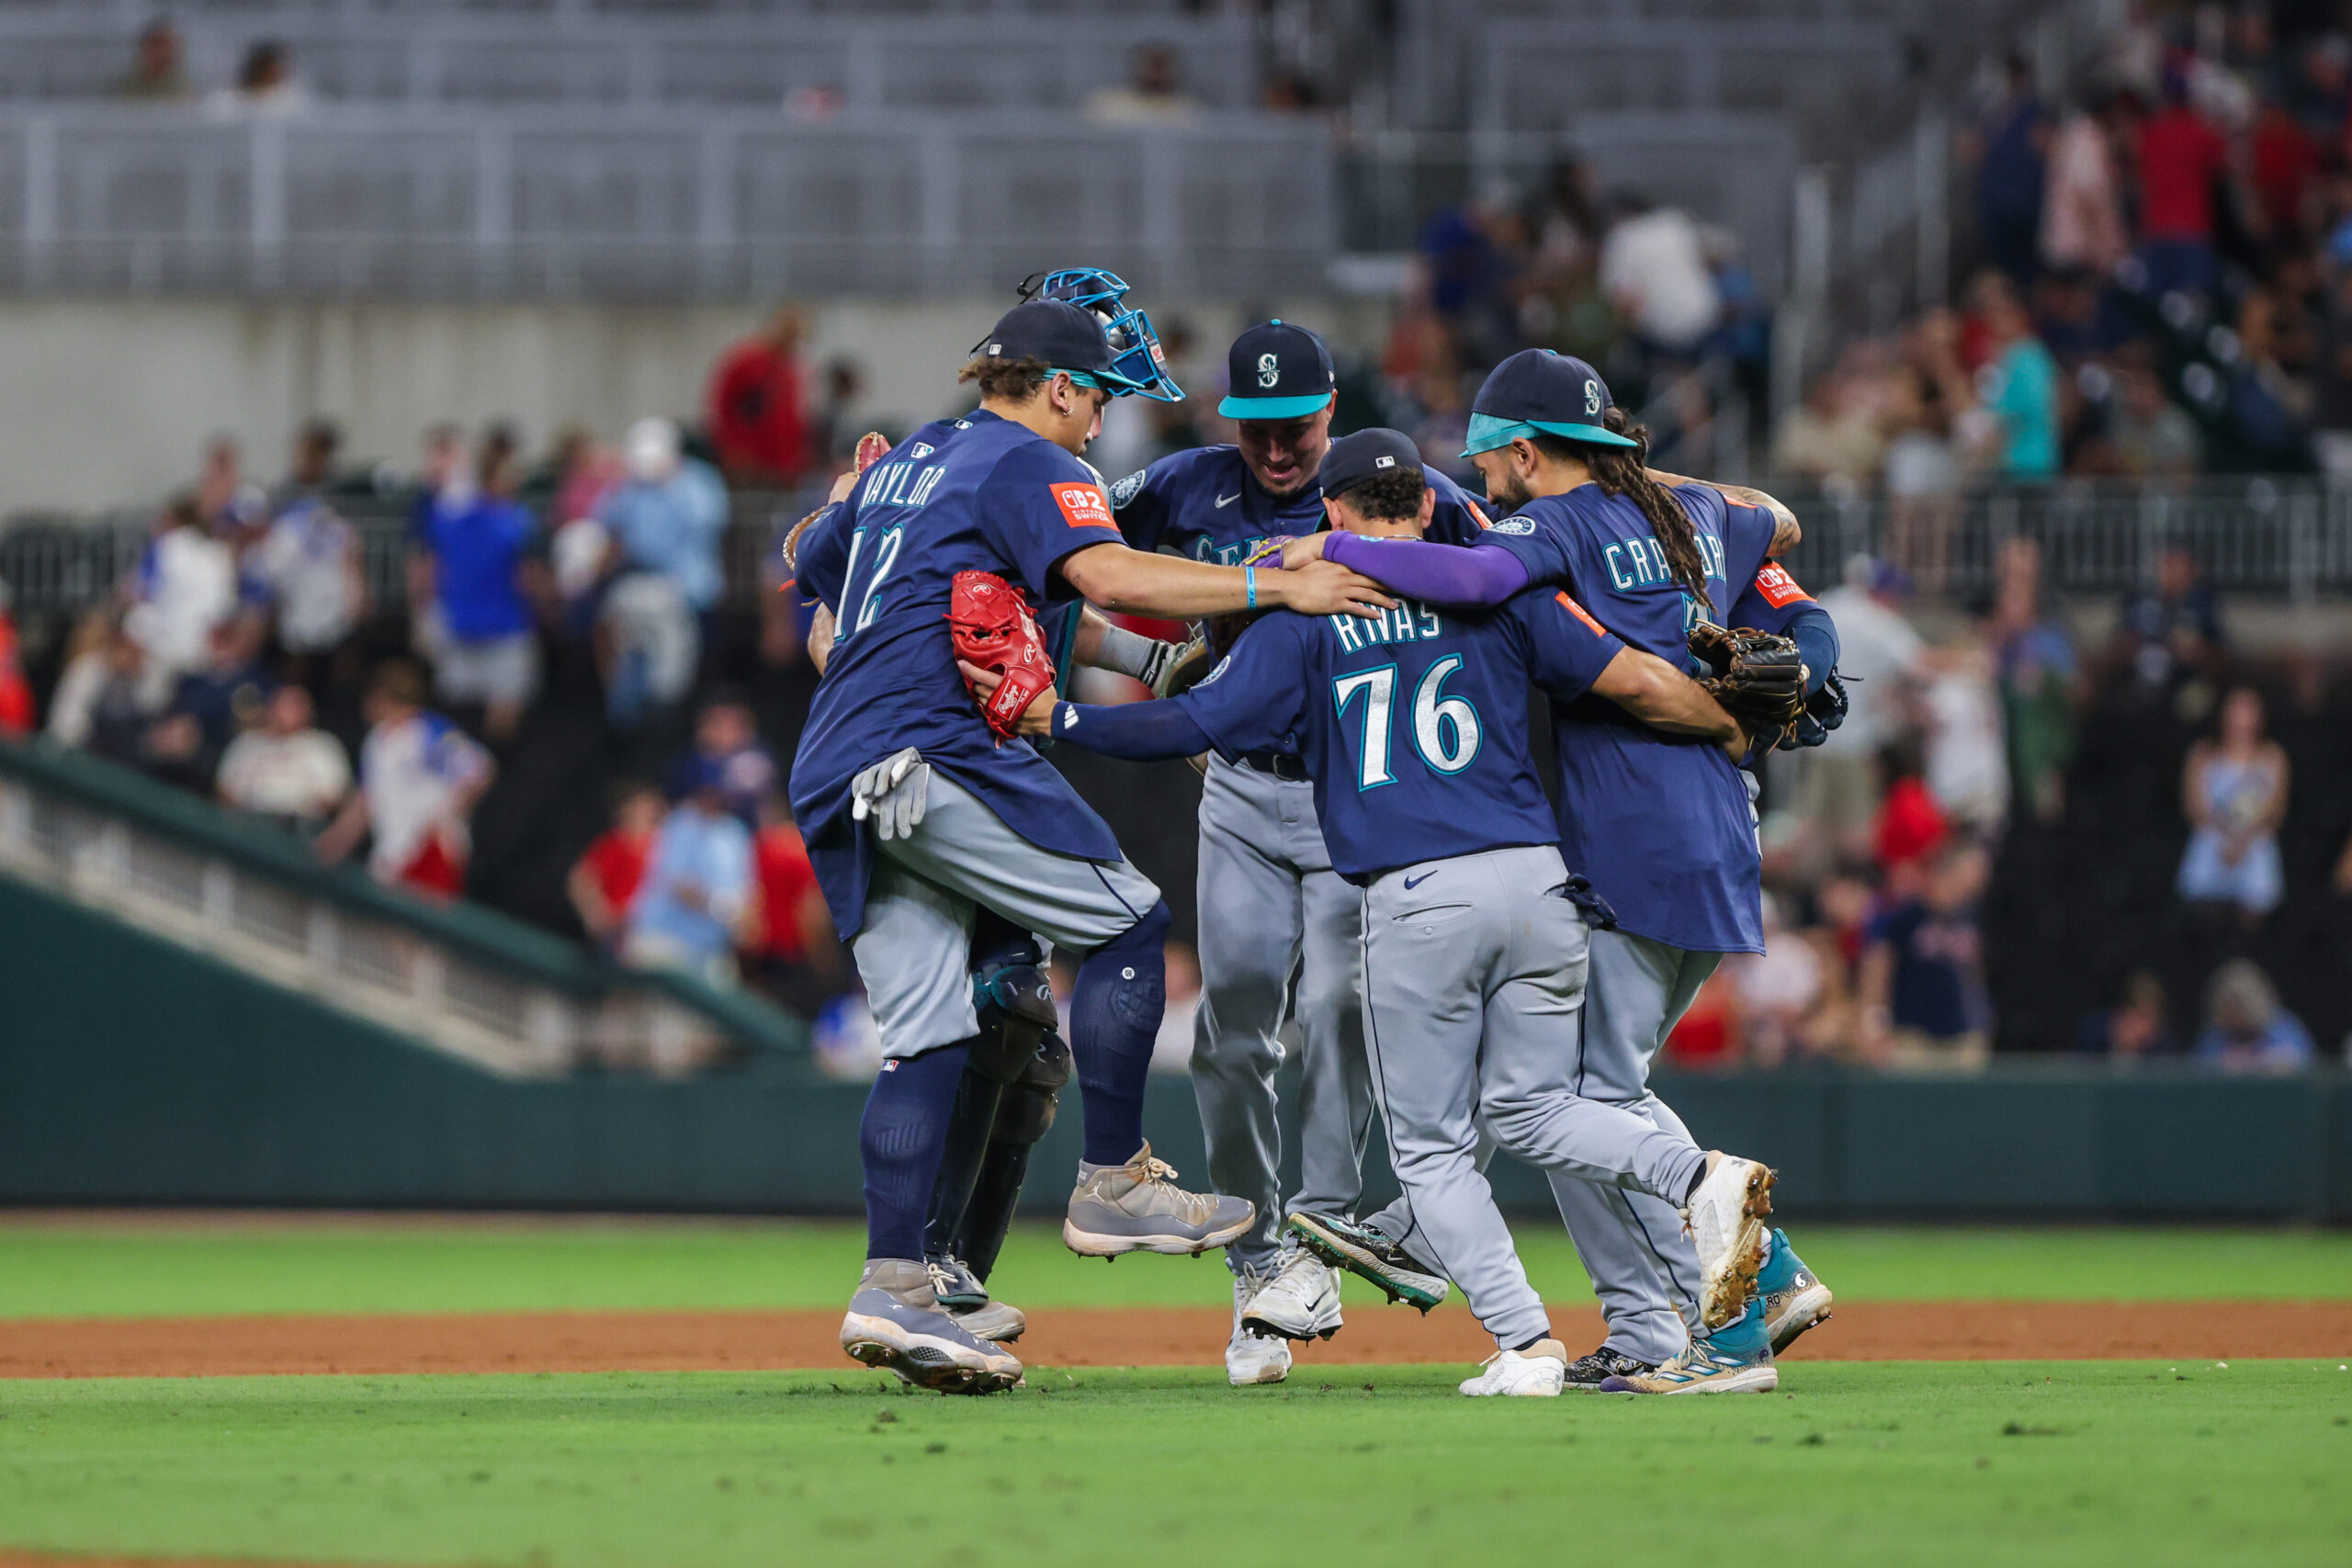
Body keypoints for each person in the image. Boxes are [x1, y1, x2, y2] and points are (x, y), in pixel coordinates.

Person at [986, 423, 1782, 1398]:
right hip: (1540, 885)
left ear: (1333, 513)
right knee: (1538, 1107)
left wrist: (1058, 716)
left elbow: (1193, 723)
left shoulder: (1309, 613)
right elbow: (1631, 677)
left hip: (1419, 894)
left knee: (1433, 1151)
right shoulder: (1502, 589)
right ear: (1426, 504)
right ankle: (1695, 1178)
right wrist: (1731, 721)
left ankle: (1525, 1344)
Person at [785, 296, 1389, 1395]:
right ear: (1058, 385)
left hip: (835, 765)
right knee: (1127, 918)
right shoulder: (1025, 460)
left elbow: (808, 560)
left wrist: (842, 551)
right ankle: (1114, 1175)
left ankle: (896, 1285)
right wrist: (1276, 583)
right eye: (1099, 395)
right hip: (935, 745)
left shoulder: (915, 456)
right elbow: (1108, 575)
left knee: (927, 1034)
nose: (1101, 418)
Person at [1280, 355, 1838, 1395]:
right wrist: (1809, 661)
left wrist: (1332, 545)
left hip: (1633, 829)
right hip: (1719, 831)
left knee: (1578, 1099)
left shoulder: (1553, 529)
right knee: (1589, 1092)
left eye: (1491, 464)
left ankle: (1735, 1303)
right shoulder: (1696, 511)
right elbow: (1784, 547)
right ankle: (1667, 1320)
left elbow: (1482, 576)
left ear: (1529, 453)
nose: (1483, 488)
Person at [1104, 321, 1497, 1387]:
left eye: (1299, 424)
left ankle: (1315, 1238)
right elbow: (1069, 553)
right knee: (1231, 1020)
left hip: (1350, 792)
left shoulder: (1397, 487)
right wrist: (1144, 653)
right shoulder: (1184, 487)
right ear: (1232, 418)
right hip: (1238, 785)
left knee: (1333, 1008)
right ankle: (1257, 1257)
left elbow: (1507, 567)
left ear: (1332, 409)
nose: (1278, 446)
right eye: (1260, 426)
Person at [315, 661, 494, 900]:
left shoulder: (427, 730)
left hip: (429, 855)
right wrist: (335, 841)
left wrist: (444, 816)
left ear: (384, 697)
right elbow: (367, 799)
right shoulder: (376, 741)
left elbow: (480, 771)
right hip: (391, 856)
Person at [413, 433, 539, 741]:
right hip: (500, 627)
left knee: (462, 715)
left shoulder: (447, 519)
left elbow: (430, 570)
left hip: (460, 624)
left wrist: (424, 613)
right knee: (502, 710)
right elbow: (528, 577)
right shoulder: (515, 522)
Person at [1858, 839, 1993, 1071]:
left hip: (1964, 1038)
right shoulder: (1905, 919)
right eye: (1975, 868)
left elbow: (1981, 975)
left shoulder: (1974, 919)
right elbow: (1877, 971)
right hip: (1912, 1039)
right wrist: (1873, 1026)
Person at [622, 764, 755, 986]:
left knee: (725, 1010)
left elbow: (747, 890)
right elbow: (680, 887)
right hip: (664, 942)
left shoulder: (734, 832)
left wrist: (746, 917)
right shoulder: (681, 824)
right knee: (669, 1019)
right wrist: (725, 909)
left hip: (711, 950)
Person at [2177, 686, 2290, 922]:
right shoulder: (2203, 753)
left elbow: (2275, 811)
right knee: (2204, 911)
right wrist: (2226, 838)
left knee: (2256, 906)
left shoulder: (2273, 756)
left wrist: (2244, 841)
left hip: (2255, 841)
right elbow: (2195, 807)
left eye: (2249, 709)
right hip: (2213, 839)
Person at [217, 683, 352, 829]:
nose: (287, 710)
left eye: (296, 705)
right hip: (249, 824)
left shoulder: (323, 745)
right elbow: (225, 792)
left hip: (302, 828)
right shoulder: (247, 743)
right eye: (283, 703)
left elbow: (335, 797)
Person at [707, 309, 814, 489]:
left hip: (783, 467)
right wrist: (735, 452)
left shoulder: (788, 368)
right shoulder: (748, 363)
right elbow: (726, 409)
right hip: (751, 465)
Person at [568, 782, 665, 951]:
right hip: (608, 934)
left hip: (642, 933)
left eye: (645, 810)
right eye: (634, 808)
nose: (638, 814)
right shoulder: (612, 843)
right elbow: (581, 879)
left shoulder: (662, 850)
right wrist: (595, 914)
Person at [2192, 959, 2313, 1073]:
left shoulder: (2284, 1025)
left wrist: (2265, 1062)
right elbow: (2201, 1069)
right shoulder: (2214, 1035)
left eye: (2241, 1000)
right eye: (2229, 1001)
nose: (2237, 1008)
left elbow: (2303, 1061)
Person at [118, 19, 193, 103]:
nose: (159, 52)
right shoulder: (130, 82)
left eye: (164, 46)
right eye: (154, 45)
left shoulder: (181, 83)